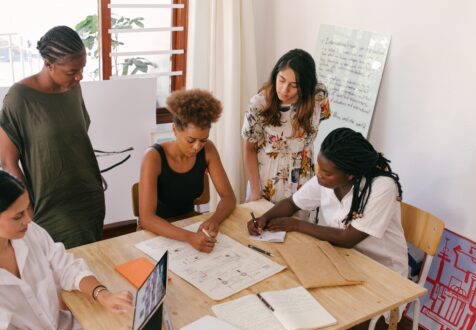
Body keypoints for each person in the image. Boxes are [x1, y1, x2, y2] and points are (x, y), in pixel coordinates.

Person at [0, 170, 133, 330]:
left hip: (61, 329)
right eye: (18, 216)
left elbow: (64, 266)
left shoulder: (29, 231)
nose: (28, 219)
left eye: (28, 209)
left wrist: (102, 294)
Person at [247, 127, 408, 277]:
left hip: (382, 273)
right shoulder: (327, 180)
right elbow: (292, 203)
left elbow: (347, 239)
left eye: (326, 173)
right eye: (320, 169)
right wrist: (264, 218)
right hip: (342, 258)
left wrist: (296, 225)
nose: (319, 175)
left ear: (350, 174)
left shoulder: (382, 187)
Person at [0, 25, 105, 249]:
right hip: (50, 204)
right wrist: (27, 207)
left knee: (94, 261)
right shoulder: (19, 98)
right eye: (71, 71)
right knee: (61, 268)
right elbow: (8, 162)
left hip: (89, 195)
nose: (79, 76)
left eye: (82, 68)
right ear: (49, 64)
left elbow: (76, 138)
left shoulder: (73, 88)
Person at [139, 89, 236, 253]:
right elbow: (147, 219)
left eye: (203, 140)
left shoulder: (208, 150)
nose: (197, 147)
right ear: (175, 129)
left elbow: (228, 197)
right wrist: (189, 237)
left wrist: (214, 220)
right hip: (157, 232)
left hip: (190, 224)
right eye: (191, 140)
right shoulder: (153, 157)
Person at [242, 48, 330, 204]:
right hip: (268, 184)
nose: (284, 89)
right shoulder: (259, 104)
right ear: (276, 74)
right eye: (281, 80)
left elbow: (315, 125)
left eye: (294, 85)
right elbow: (249, 149)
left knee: (301, 228)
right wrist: (255, 192)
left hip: (304, 182)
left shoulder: (318, 97)